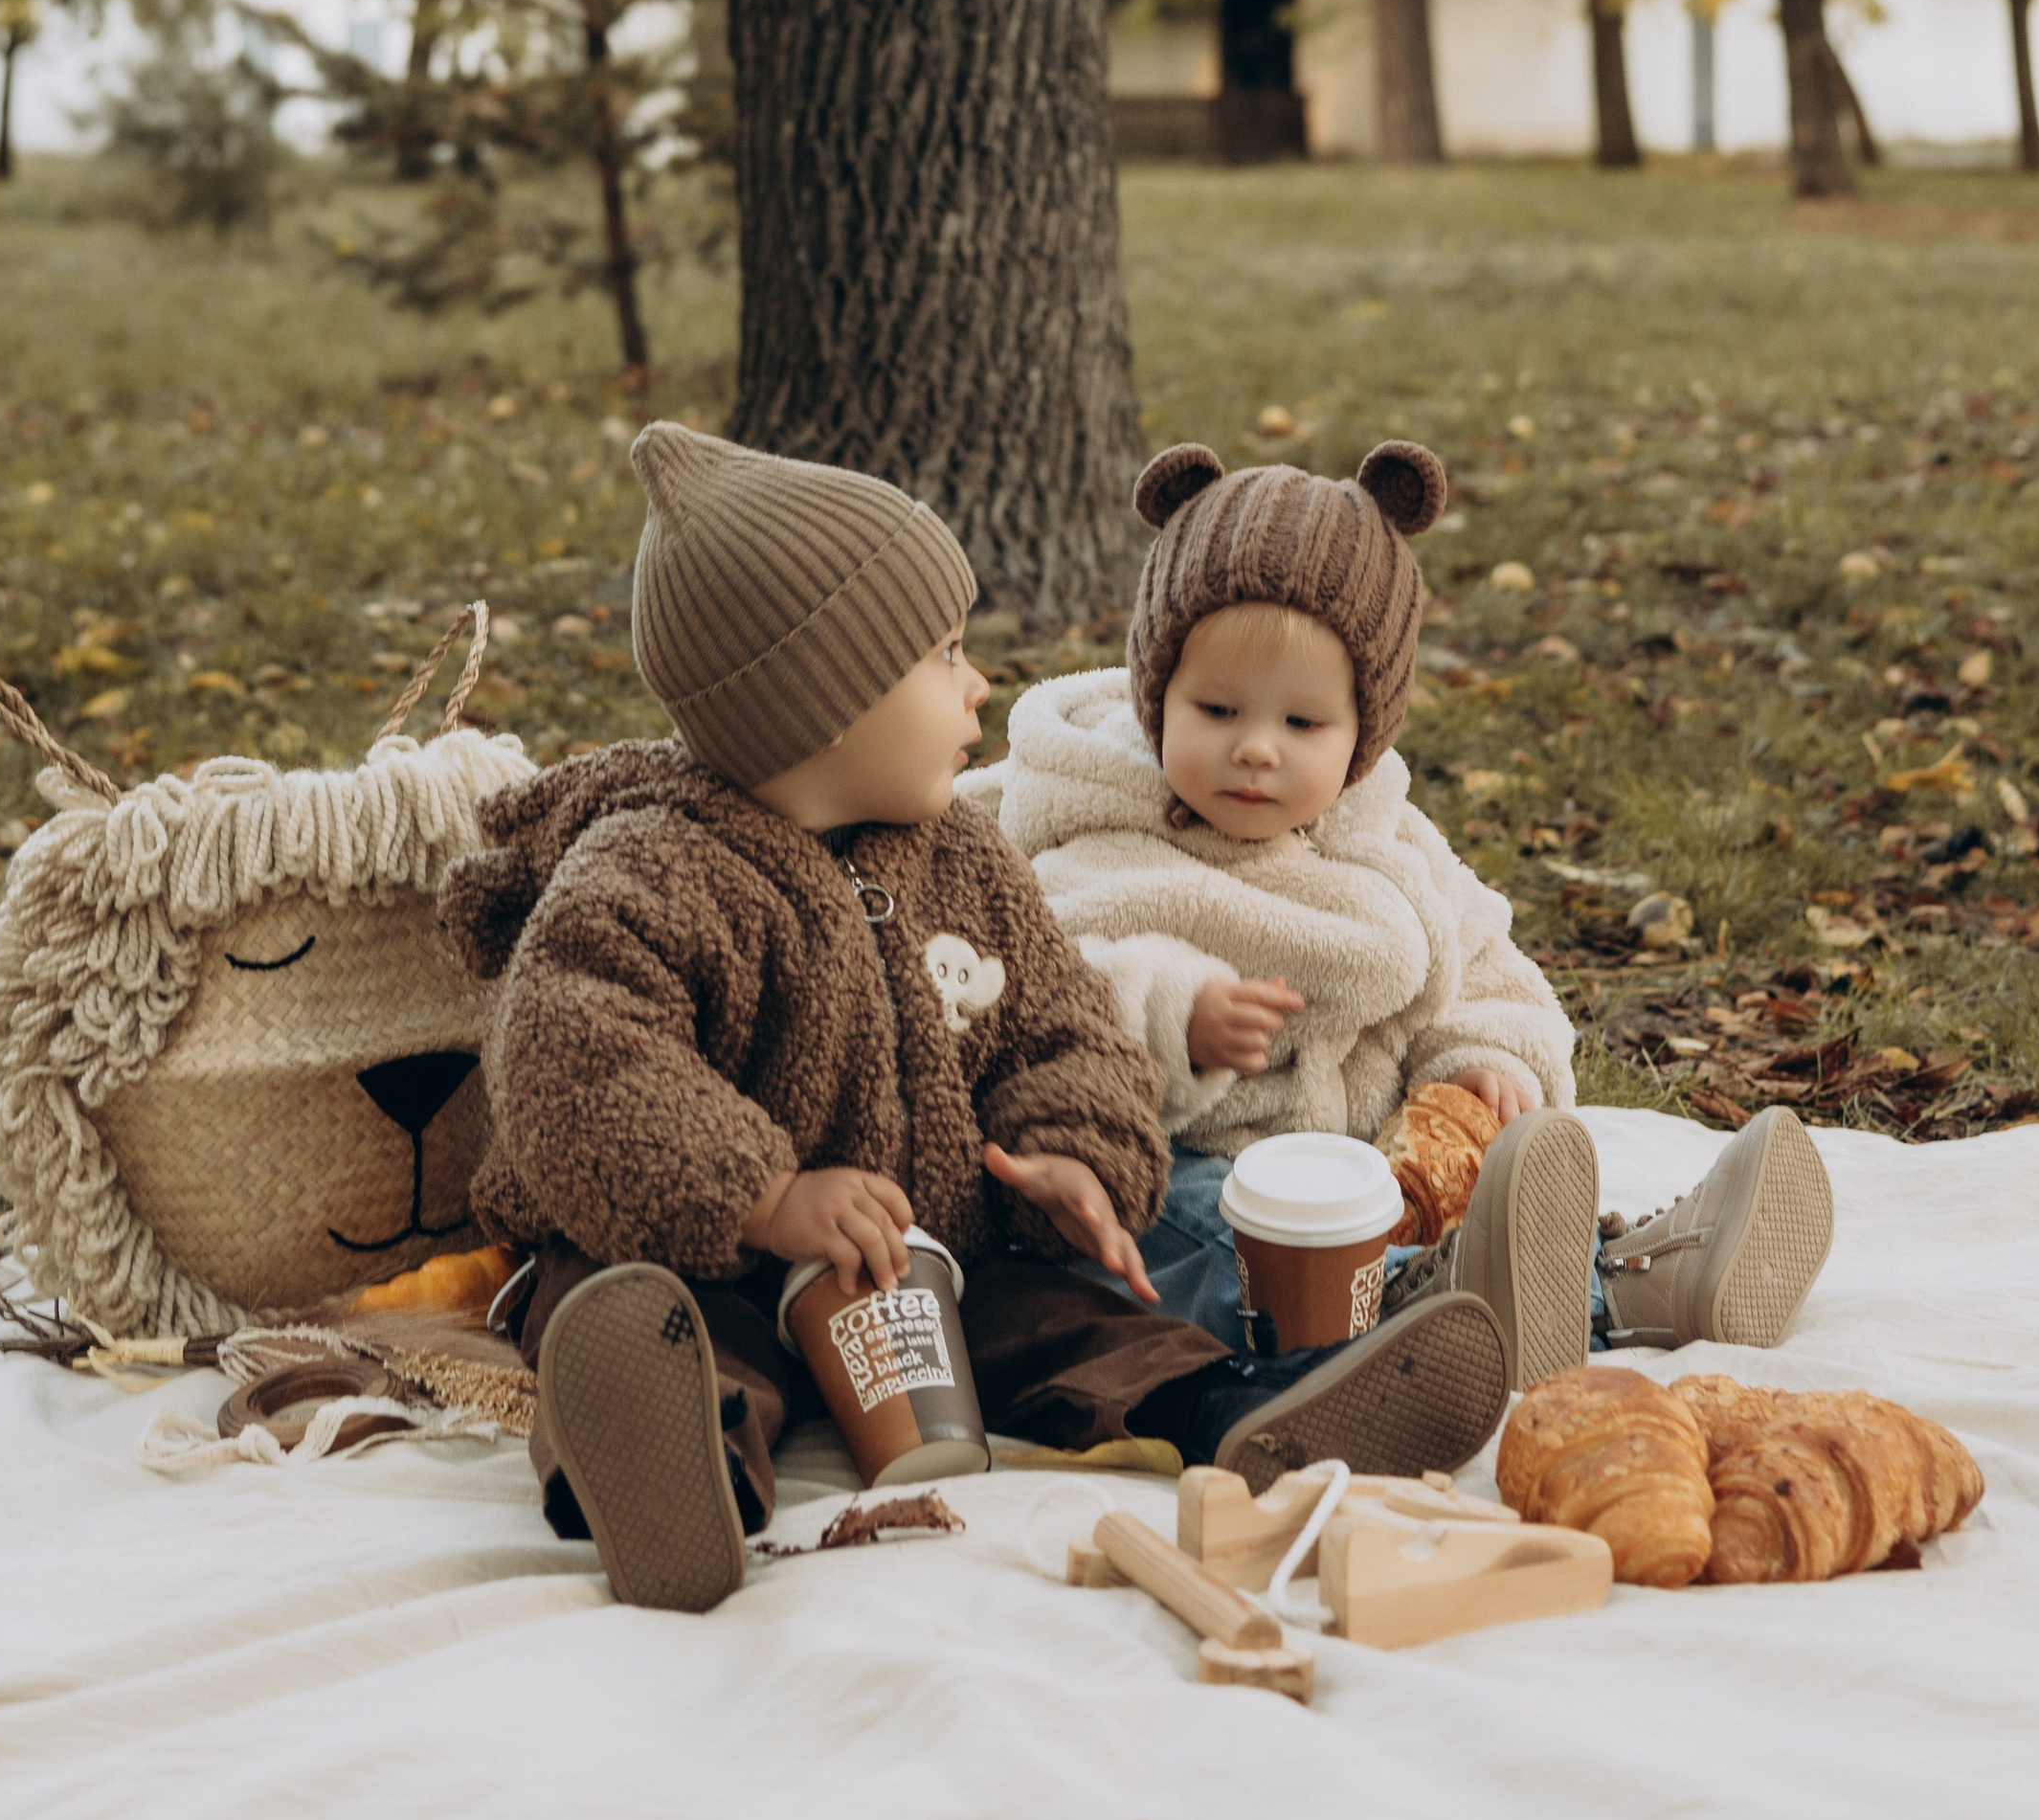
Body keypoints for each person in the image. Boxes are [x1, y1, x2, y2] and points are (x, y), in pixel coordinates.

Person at [437, 422, 1508, 1611]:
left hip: (932, 1252)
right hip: (700, 1254)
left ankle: (1237, 1409)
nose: (978, 684)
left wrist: (1070, 1155)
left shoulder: (964, 858)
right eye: (943, 654)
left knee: (1080, 1321)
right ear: (822, 700)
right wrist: (766, 1198)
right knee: (651, 1328)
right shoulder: (650, 869)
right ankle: (669, 1473)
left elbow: (1062, 1024)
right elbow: (574, 1064)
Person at [980, 440, 1834, 1387]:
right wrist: (1175, 1019)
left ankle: (1550, 1271)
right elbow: (1044, 981)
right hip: (1182, 1152)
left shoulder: (1380, 837)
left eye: (1302, 724)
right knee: (1199, 1232)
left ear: (1363, 730)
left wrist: (1483, 1060)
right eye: (1217, 710)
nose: (1257, 750)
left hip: (1368, 1166)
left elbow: (1481, 960)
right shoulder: (1098, 826)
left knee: (1466, 1203)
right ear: (1156, 697)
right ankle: (1594, 1295)